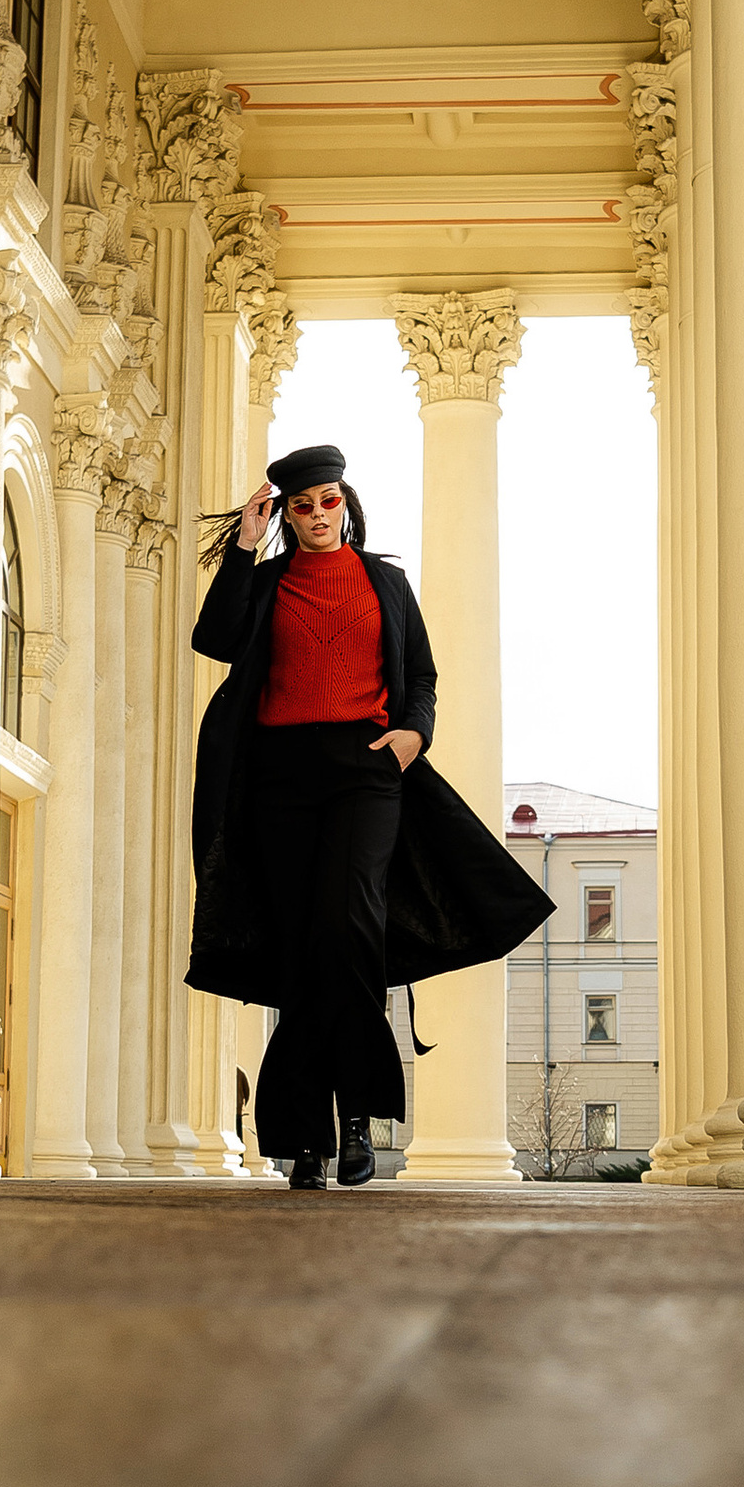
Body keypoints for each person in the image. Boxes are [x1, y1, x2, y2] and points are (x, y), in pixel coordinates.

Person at [189, 441, 553, 1188]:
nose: (318, 515)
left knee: (351, 930)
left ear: (346, 502)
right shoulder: (266, 582)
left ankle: (355, 1119)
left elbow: (420, 674)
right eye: (302, 507)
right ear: (287, 516)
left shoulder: (385, 582)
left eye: (329, 500)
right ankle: (306, 1143)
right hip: (280, 778)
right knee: (301, 952)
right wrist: (243, 549)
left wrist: (415, 733)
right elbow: (214, 640)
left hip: (367, 771)